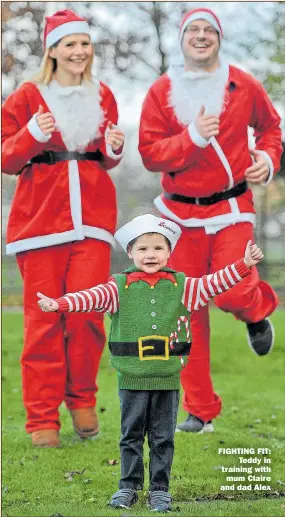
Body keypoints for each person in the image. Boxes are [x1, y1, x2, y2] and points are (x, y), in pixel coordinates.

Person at [37, 213, 263, 511]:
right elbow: (89, 297)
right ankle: (127, 487)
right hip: (131, 378)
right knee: (130, 436)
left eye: (158, 248)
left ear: (169, 252)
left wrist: (243, 265)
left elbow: (214, 283)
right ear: (130, 252)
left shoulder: (183, 287)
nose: (151, 255)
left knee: (163, 437)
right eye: (142, 249)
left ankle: (160, 489)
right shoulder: (118, 288)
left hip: (167, 379)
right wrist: (59, 304)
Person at [138, 7, 282, 434]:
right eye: (193, 31)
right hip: (178, 215)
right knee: (185, 309)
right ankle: (201, 411)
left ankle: (256, 312)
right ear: (182, 40)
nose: (201, 36)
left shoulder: (243, 84)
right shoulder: (160, 91)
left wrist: (268, 161)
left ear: (218, 39)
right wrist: (193, 137)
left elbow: (272, 128)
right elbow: (150, 154)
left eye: (209, 31)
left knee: (234, 290)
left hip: (231, 208)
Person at [1, 9, 125, 448]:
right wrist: (33, 133)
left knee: (88, 315)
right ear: (51, 50)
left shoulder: (103, 94)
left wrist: (114, 149)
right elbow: (6, 158)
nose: (78, 51)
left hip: (92, 221)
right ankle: (41, 419)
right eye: (69, 44)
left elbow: (104, 155)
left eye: (84, 44)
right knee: (43, 323)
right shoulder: (27, 96)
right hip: (40, 224)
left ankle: (81, 399)